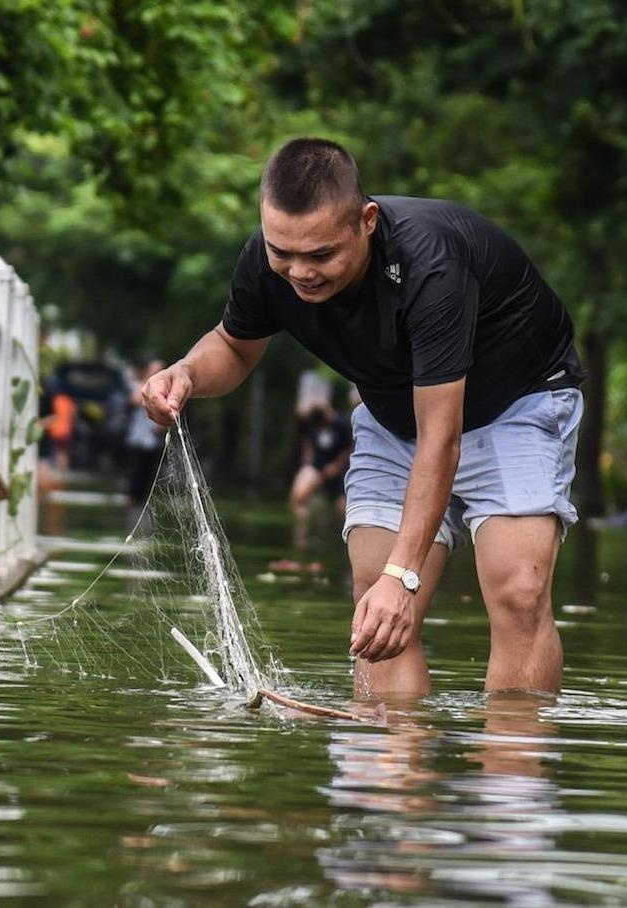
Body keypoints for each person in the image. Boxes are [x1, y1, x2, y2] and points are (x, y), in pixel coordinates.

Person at [140, 137, 584, 697]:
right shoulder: (267, 260)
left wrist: (406, 574)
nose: (300, 272)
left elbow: (441, 439)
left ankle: (513, 773)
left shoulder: (430, 265)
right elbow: (233, 348)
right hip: (394, 414)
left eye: (321, 255)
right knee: (376, 601)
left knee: (518, 590)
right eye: (284, 252)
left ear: (366, 221)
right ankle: (392, 770)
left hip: (513, 403)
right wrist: (186, 374)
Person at [288, 397, 351, 552]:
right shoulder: (310, 423)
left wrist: (336, 466)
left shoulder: (342, 423)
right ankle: (301, 534)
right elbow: (307, 442)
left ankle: (343, 540)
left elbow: (349, 448)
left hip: (341, 468)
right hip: (318, 466)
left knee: (343, 507)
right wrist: (308, 461)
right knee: (298, 496)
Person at [124, 356, 168, 505]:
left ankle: (143, 502)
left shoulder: (165, 392)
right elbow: (133, 400)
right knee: (135, 473)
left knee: (149, 474)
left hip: (153, 440)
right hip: (137, 438)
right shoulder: (139, 386)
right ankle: (132, 500)